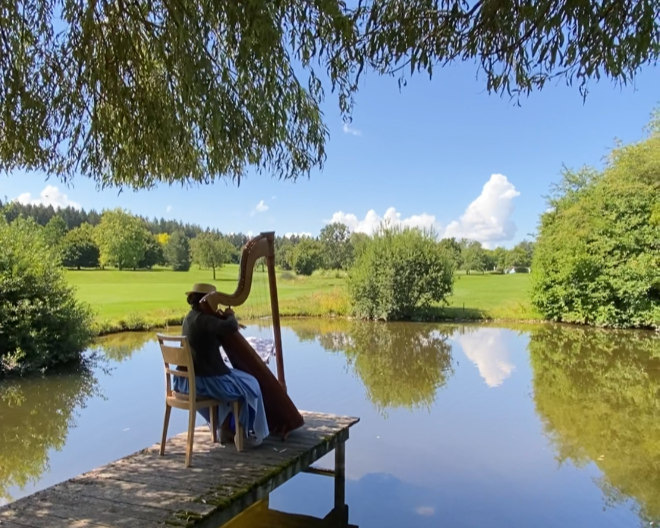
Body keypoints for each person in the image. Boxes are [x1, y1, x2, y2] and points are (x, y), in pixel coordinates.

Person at [172, 283, 269, 447]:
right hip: (205, 382)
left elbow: (212, 335)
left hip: (186, 381)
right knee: (251, 384)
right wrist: (230, 315)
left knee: (241, 380)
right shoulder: (203, 320)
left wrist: (221, 319)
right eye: (214, 300)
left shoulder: (191, 317)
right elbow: (230, 326)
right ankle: (245, 432)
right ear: (206, 300)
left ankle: (226, 428)